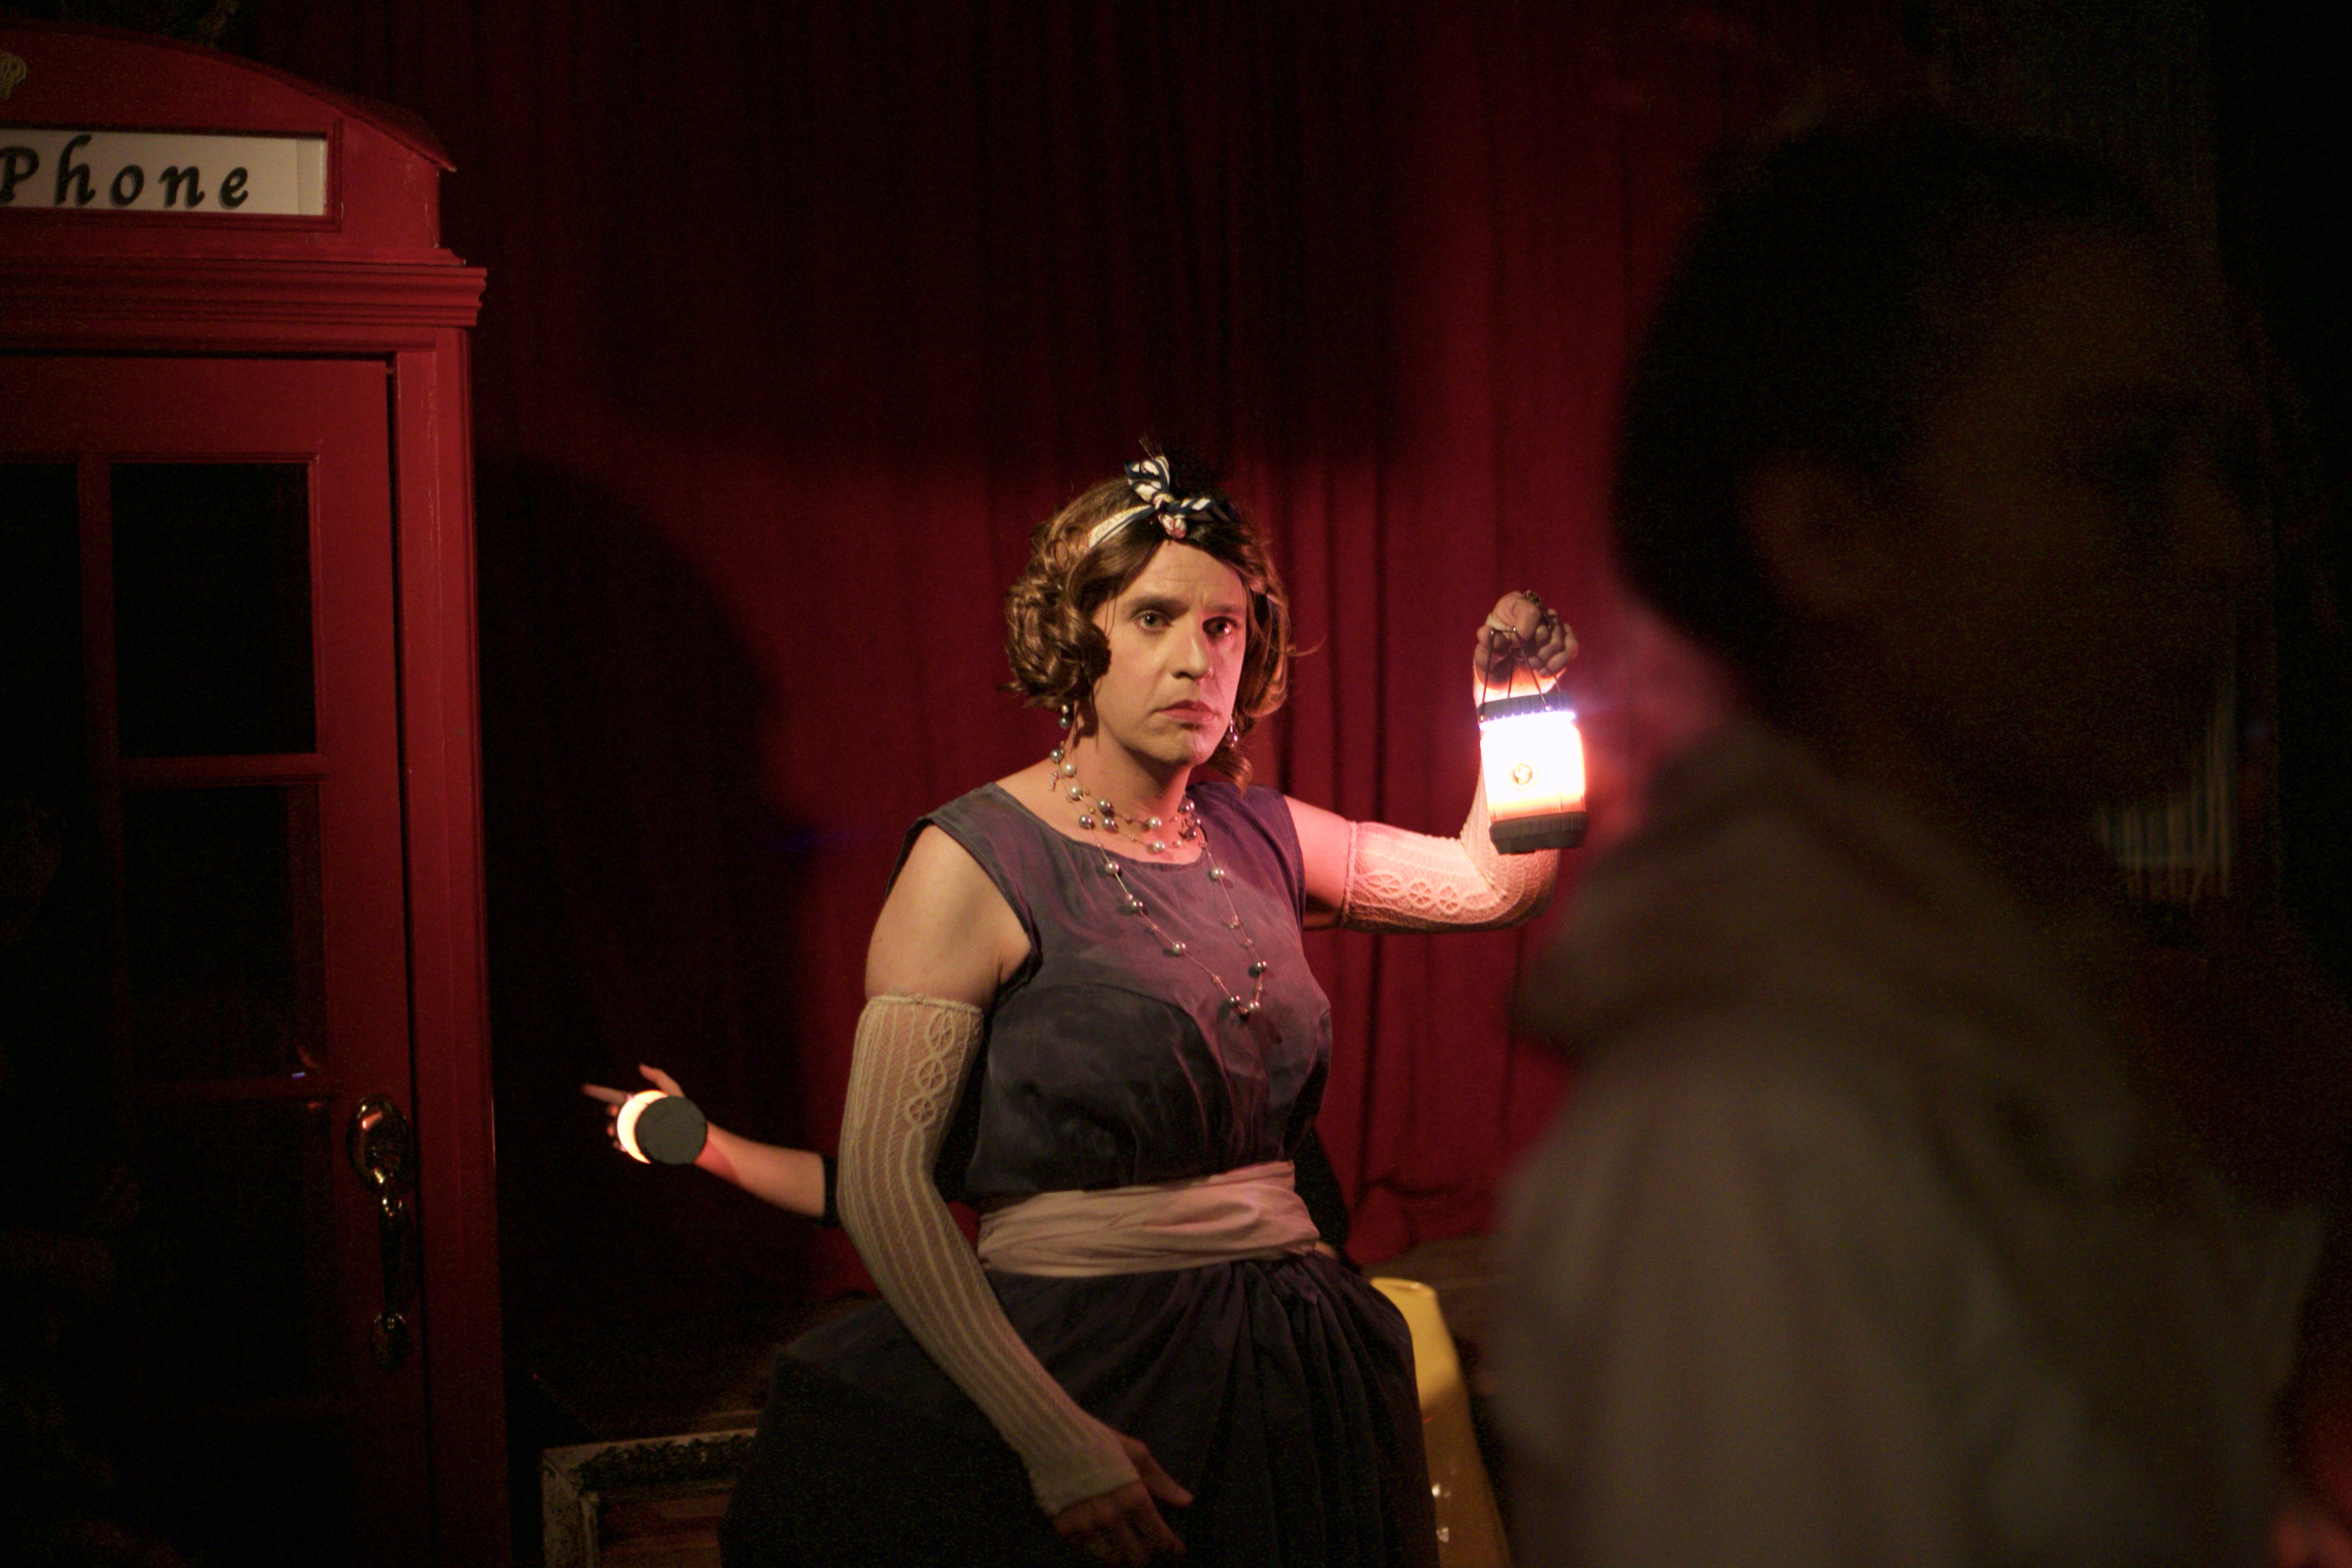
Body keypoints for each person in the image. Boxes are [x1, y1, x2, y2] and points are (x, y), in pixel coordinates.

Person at [1494, 107, 2339, 1566]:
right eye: (2125, 466)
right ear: (1829, 534)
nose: (2223, 548)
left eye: (2233, 473)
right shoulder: (1758, 1130)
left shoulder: (2042, 1033)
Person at [589, 449, 1575, 1566]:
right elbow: (879, 1180)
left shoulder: (1266, 833)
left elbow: (1494, 886)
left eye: (1224, 627)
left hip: (1289, 1360)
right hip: (1078, 1362)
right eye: (1154, 617)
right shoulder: (974, 859)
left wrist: (1521, 713)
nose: (1195, 658)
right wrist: (1053, 1439)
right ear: (1077, 634)